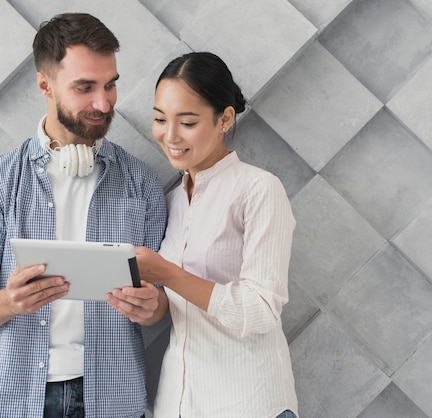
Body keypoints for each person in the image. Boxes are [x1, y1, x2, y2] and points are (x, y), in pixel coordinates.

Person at [0, 13, 168, 418]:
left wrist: (151, 306)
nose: (103, 103)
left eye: (110, 85)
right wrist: (9, 301)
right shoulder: (0, 180)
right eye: (85, 88)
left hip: (115, 400)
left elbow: (162, 303)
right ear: (45, 85)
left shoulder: (141, 183)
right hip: (16, 401)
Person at [111, 52, 299, 417]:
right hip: (179, 403)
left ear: (225, 118)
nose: (170, 135)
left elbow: (260, 311)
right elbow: (176, 307)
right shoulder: (172, 200)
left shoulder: (259, 189)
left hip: (248, 403)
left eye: (188, 122)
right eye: (160, 119)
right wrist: (150, 305)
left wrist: (166, 273)